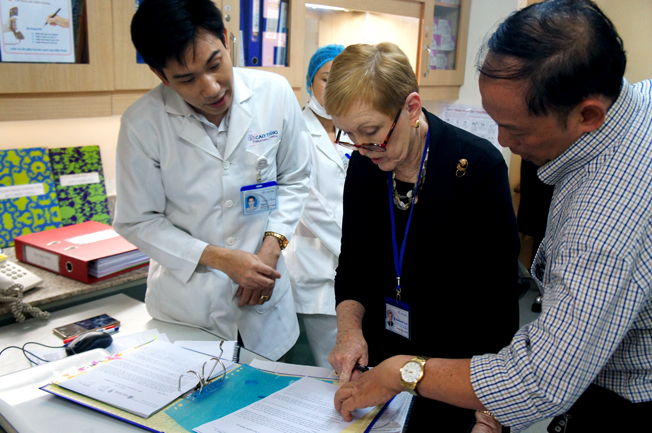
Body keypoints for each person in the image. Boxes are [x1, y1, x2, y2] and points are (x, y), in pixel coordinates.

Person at [332, 1, 652, 431]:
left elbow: (535, 373)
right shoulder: (636, 104)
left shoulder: (601, 218)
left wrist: (406, 374)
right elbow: (353, 262)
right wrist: (353, 332)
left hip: (598, 396)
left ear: (587, 115)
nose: (503, 140)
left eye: (516, 130)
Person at [324, 42, 520, 431]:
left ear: (412, 108)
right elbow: (352, 265)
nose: (362, 149)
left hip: (457, 377)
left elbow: (499, 306)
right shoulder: (365, 168)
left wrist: (490, 416)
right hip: (381, 376)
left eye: (371, 132)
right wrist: (349, 333)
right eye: (350, 135)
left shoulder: (476, 168)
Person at [113, 0, 310, 361]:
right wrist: (220, 259)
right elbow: (137, 220)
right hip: (189, 313)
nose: (210, 89)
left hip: (268, 308)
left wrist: (270, 247)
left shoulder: (275, 93)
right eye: (186, 79)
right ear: (160, 75)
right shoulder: (142, 124)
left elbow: (295, 179)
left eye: (215, 65)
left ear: (225, 39)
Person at [283, 44, 346, 368]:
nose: (333, 87)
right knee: (332, 366)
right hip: (316, 269)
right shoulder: (297, 129)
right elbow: (310, 204)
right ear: (310, 83)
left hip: (352, 266)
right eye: (325, 79)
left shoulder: (350, 127)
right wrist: (354, 250)